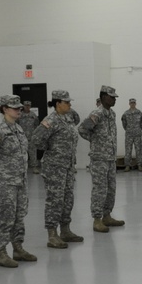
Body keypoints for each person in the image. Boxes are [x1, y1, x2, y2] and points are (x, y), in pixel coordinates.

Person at [0, 95, 37, 268]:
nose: (18, 110)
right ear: (5, 109)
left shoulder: (19, 130)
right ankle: (1, 252)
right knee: (4, 217)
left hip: (20, 181)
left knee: (19, 216)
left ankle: (18, 248)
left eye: (20, 108)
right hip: (5, 183)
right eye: (15, 108)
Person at [33, 90, 82, 248]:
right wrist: (51, 150)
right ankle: (52, 234)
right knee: (54, 201)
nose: (69, 104)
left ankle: (65, 230)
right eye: (67, 102)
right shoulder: (50, 120)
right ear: (58, 103)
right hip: (54, 168)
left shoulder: (68, 119)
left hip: (67, 167)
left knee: (67, 199)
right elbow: (36, 139)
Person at [78, 85, 124, 232]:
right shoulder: (97, 113)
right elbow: (82, 129)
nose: (114, 99)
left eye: (115, 97)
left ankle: (107, 215)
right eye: (112, 97)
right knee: (100, 189)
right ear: (104, 97)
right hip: (99, 158)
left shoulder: (112, 114)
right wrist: (95, 141)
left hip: (110, 158)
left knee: (111, 188)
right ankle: (97, 219)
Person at [120, 98, 142, 171]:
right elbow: (124, 124)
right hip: (129, 135)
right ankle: (127, 165)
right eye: (131, 103)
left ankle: (139, 165)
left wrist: (138, 129)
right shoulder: (126, 113)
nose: (132, 104)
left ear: (135, 104)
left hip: (137, 134)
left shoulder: (139, 113)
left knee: (138, 150)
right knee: (128, 150)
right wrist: (128, 129)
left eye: (134, 103)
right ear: (129, 104)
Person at [17, 100, 40, 174]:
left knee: (33, 153)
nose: (27, 107)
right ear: (23, 106)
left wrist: (35, 135)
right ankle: (22, 168)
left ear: (30, 106)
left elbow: (37, 125)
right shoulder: (19, 115)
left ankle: (34, 167)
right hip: (22, 137)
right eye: (26, 106)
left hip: (31, 138)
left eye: (28, 106)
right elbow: (16, 125)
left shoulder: (33, 115)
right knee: (22, 153)